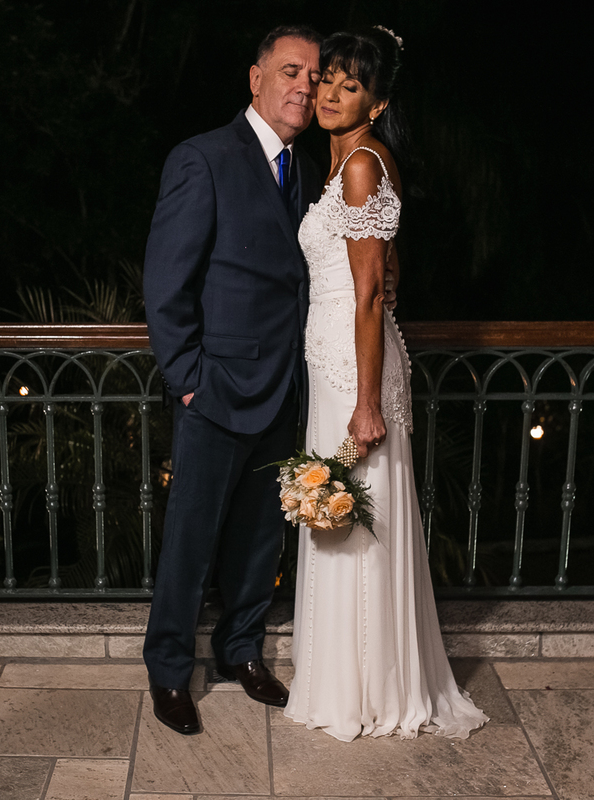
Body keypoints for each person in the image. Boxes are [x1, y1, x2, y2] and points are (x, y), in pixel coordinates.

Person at [283, 26, 489, 741]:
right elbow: (379, 266)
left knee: (354, 520)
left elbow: (370, 293)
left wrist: (368, 403)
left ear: (377, 103)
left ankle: (367, 692)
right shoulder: (347, 164)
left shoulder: (363, 164)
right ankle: (348, 679)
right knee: (341, 516)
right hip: (336, 361)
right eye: (328, 80)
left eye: (350, 86)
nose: (330, 94)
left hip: (355, 370)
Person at [141, 25, 325, 735]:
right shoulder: (204, 158)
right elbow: (167, 281)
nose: (304, 86)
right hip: (216, 390)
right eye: (290, 71)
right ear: (256, 78)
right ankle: (168, 669)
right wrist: (188, 378)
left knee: (258, 538)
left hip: (283, 389)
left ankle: (240, 649)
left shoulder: (306, 170)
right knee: (191, 539)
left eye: (313, 75)